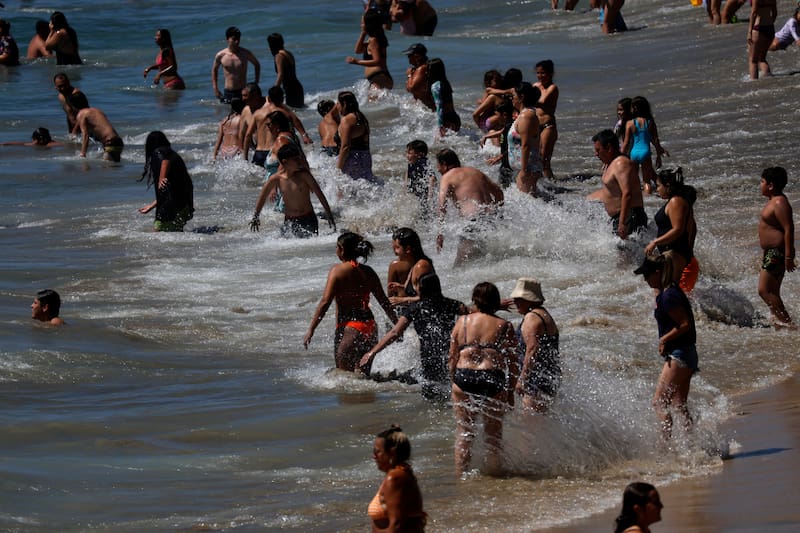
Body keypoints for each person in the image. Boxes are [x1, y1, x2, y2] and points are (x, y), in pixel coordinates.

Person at [448, 282, 519, 476]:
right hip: (492, 376)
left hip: (464, 375)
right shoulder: (505, 325)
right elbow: (513, 363)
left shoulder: (462, 321)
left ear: (474, 300)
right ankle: (495, 477)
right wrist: (511, 392)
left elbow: (452, 357)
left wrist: (455, 382)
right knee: (493, 435)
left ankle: (460, 476)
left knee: (464, 432)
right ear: (496, 302)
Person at [361, 273, 468, 399]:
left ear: (422, 290)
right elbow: (476, 315)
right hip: (450, 355)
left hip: (428, 358)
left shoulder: (415, 308)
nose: (415, 288)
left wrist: (372, 352)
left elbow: (395, 332)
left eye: (417, 286)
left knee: (432, 397)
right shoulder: (452, 304)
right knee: (451, 391)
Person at [304, 232, 398, 371]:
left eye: (337, 247)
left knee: (343, 378)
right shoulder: (369, 271)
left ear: (341, 249)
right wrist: (397, 325)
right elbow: (384, 301)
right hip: (370, 327)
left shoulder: (337, 271)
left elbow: (325, 302)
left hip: (350, 327)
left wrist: (311, 329)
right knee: (364, 378)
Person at [634, 253, 698, 439]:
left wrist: (664, 340)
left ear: (658, 272)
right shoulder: (671, 291)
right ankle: (692, 444)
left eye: (647, 275)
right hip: (688, 353)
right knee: (679, 406)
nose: (645, 279)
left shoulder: (669, 296)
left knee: (659, 404)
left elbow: (685, 324)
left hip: (680, 354)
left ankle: (666, 448)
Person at [250, 143, 335, 238]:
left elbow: (320, 195)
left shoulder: (304, 175)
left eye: (299, 158)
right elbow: (262, 197)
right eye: (295, 159)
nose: (299, 161)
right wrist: (256, 216)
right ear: (285, 162)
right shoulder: (276, 178)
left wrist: (329, 214)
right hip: (290, 220)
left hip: (308, 218)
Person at [435, 148, 504, 266]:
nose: (438, 170)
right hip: (490, 219)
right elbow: (499, 192)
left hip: (473, 221)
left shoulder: (447, 177)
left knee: (460, 266)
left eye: (439, 166)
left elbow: (442, 206)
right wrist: (499, 216)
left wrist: (440, 233)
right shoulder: (475, 171)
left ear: (445, 165)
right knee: (484, 261)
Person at [509, 278, 561, 413]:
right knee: (541, 419)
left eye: (519, 299)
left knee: (531, 423)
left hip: (536, 378)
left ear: (529, 300)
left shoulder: (532, 318)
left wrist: (522, 379)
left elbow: (532, 349)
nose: (515, 303)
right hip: (549, 374)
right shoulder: (543, 313)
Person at [644, 168, 699, 294]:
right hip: (679, 259)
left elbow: (677, 229)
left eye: (658, 186)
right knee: (661, 293)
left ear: (667, 186)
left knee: (670, 299)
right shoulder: (680, 202)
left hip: (679, 261)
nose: (657, 189)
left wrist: (655, 242)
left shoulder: (676, 201)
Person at [587, 129, 647, 240]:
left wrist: (622, 222)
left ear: (609, 148)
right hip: (622, 217)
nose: (596, 154)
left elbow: (627, 193)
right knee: (623, 256)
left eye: (598, 150)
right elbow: (610, 191)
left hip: (630, 217)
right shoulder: (611, 164)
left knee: (627, 256)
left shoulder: (621, 163)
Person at [368, 426, 426, 532]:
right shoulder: (402, 474)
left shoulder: (395, 478)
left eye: (377, 452)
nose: (374, 456)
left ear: (392, 453)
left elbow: (397, 525)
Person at [757, 166, 796, 327]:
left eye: (762, 182)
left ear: (771, 185)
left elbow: (789, 228)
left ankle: (789, 324)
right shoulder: (773, 200)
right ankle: (779, 323)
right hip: (771, 252)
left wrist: (788, 256)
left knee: (764, 290)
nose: (760, 185)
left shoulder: (779, 202)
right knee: (773, 291)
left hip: (777, 253)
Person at [137, 131, 194, 231]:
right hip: (185, 205)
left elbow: (165, 161)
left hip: (171, 208)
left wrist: (161, 177)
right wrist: (152, 206)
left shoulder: (158, 152)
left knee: (156, 235)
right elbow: (172, 190)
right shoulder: (174, 155)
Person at [621, 96, 668, 194]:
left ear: (635, 108)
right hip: (646, 152)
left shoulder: (630, 123)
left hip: (634, 153)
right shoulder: (650, 122)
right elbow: (655, 141)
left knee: (634, 181)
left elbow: (625, 143)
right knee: (646, 181)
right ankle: (649, 198)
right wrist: (659, 156)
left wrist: (620, 157)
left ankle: (640, 201)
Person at [336, 91, 381, 184]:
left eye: (338, 103)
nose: (337, 106)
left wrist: (338, 169)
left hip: (352, 159)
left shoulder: (347, 120)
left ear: (344, 104)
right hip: (365, 157)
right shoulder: (361, 117)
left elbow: (345, 146)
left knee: (343, 191)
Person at [346, 10, 393, 92]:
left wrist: (357, 61)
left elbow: (377, 61)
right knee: (374, 104)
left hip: (380, 78)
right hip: (378, 78)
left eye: (362, 23)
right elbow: (358, 50)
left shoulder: (374, 41)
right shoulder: (372, 40)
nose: (361, 25)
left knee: (374, 104)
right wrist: (363, 33)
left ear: (369, 25)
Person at [509, 82, 543, 196]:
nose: (511, 99)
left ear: (521, 97)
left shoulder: (526, 116)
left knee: (527, 200)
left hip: (528, 169)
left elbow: (526, 145)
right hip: (524, 168)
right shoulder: (523, 114)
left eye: (513, 96)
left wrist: (523, 170)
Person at [386, 227, 435, 306]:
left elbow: (430, 297)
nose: (395, 253)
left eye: (397, 248)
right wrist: (402, 287)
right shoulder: (415, 264)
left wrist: (403, 300)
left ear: (408, 249)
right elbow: (419, 290)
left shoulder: (421, 266)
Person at [211, 27, 260, 103]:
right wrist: (215, 88)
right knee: (228, 113)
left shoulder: (245, 53)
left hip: (242, 91)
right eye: (234, 39)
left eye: (238, 39)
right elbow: (214, 70)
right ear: (227, 39)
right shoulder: (221, 55)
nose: (237, 41)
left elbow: (257, 65)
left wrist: (256, 83)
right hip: (228, 92)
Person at [534, 60, 559, 180]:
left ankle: (553, 185)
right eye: (538, 73)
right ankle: (542, 184)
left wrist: (539, 88)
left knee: (544, 159)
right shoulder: (536, 86)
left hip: (548, 126)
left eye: (543, 73)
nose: (540, 76)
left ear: (550, 73)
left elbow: (542, 101)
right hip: (535, 126)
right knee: (536, 158)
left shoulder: (553, 88)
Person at [267, 33, 304, 108]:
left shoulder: (278, 56)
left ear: (272, 45)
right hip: (297, 87)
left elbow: (280, 75)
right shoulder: (288, 53)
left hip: (291, 90)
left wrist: (274, 91)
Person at [427, 58, 460, 137]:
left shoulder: (435, 86)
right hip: (455, 118)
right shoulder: (445, 83)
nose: (426, 72)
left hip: (446, 121)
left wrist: (440, 125)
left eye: (428, 69)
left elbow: (439, 107)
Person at [404, 140, 436, 218]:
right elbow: (407, 173)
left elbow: (432, 177)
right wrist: (405, 189)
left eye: (409, 153)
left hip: (425, 195)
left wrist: (430, 197)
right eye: (406, 152)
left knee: (425, 213)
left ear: (419, 154)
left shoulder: (423, 162)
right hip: (417, 194)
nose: (407, 155)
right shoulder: (411, 163)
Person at [747, 0, 777, 79]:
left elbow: (754, 12)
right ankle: (768, 81)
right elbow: (775, 13)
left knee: (753, 60)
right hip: (770, 27)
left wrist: (749, 31)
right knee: (762, 59)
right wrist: (769, 23)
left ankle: (754, 86)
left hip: (758, 27)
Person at [403, 43, 434, 111]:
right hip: (426, 107)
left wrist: (409, 75)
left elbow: (412, 88)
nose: (408, 58)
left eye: (409, 56)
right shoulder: (421, 68)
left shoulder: (422, 69)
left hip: (427, 108)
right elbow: (409, 89)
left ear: (417, 56)